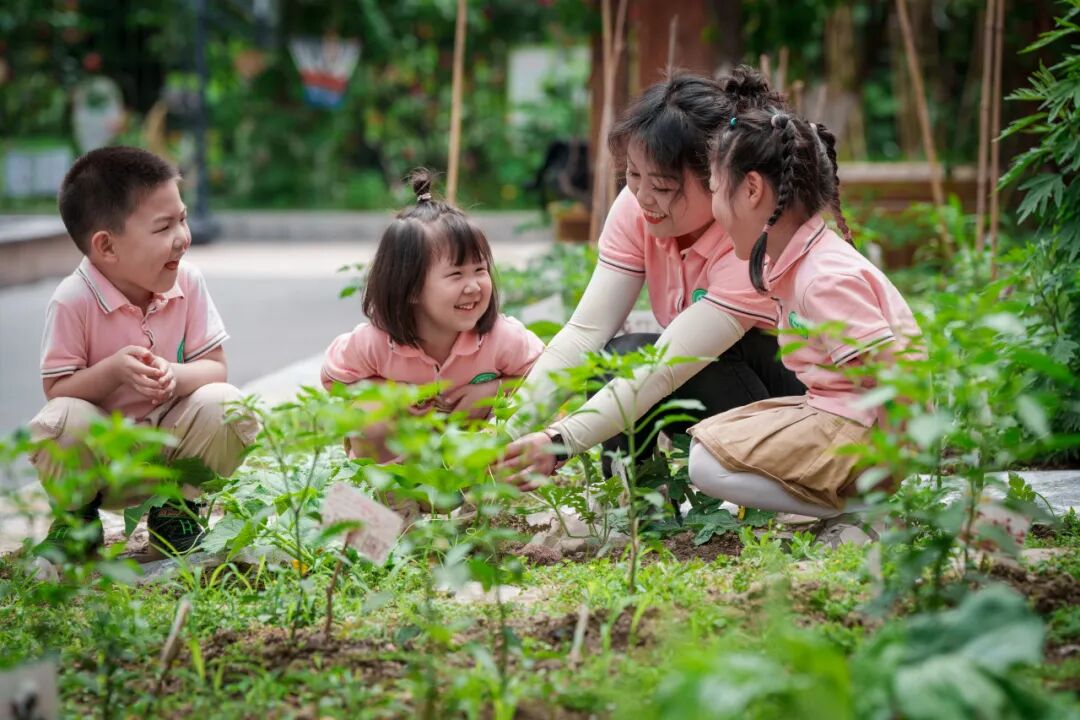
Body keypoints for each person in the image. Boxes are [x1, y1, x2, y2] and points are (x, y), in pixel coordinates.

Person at [499, 68, 804, 487]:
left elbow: (666, 367)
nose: (642, 197)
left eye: (662, 184)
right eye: (633, 175)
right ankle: (633, 498)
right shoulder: (638, 208)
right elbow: (584, 332)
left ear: (718, 178)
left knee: (692, 359)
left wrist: (558, 440)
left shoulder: (753, 237)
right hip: (701, 380)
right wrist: (502, 434)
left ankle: (757, 484)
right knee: (617, 355)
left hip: (785, 408)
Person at [688, 107, 919, 518]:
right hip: (836, 411)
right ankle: (841, 501)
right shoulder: (798, 262)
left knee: (706, 464)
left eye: (715, 187)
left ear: (752, 189)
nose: (714, 207)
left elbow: (895, 375)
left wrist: (890, 471)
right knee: (709, 442)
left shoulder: (823, 278)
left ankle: (857, 509)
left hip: (865, 430)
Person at [30, 146, 258, 562]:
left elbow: (216, 368)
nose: (183, 238)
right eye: (163, 227)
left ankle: (176, 513)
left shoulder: (187, 282)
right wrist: (114, 371)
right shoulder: (73, 300)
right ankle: (77, 522)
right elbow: (57, 389)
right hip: (105, 461)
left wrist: (175, 373)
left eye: (183, 219)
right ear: (107, 247)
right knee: (61, 420)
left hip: (171, 450)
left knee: (229, 406)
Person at [321, 170, 544, 463]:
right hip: (405, 453)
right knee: (368, 413)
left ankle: (475, 490)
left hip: (473, 454)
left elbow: (548, 374)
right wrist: (391, 393)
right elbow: (333, 380)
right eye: (456, 274)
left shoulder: (500, 338)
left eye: (480, 270)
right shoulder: (374, 343)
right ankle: (395, 497)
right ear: (409, 287)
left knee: (526, 404)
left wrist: (495, 389)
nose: (474, 285)